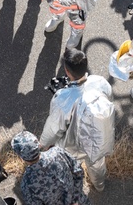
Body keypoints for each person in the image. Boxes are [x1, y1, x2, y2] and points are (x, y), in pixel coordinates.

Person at [39, 48, 115, 191]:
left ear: (67, 71)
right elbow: (110, 100)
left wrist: (43, 144)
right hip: (99, 140)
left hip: (74, 145)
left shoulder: (63, 98)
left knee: (68, 164)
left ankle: (72, 188)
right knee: (97, 165)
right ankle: (99, 186)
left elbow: (54, 129)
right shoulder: (100, 82)